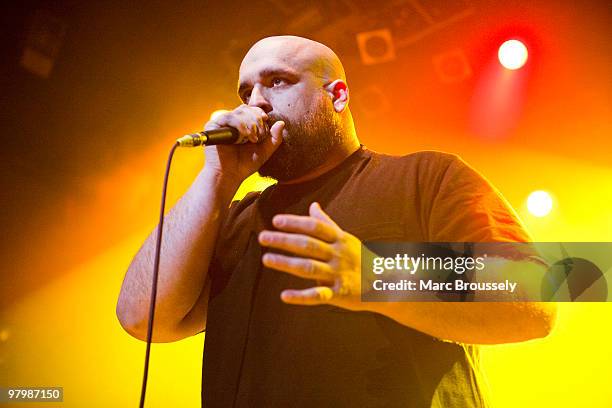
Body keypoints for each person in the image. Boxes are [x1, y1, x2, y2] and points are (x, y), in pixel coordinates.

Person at [117, 35, 557, 407]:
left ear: (337, 94)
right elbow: (141, 318)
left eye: (277, 81)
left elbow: (537, 301)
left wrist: (374, 276)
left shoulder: (424, 179)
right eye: (246, 91)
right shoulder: (234, 220)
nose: (258, 103)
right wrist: (217, 178)